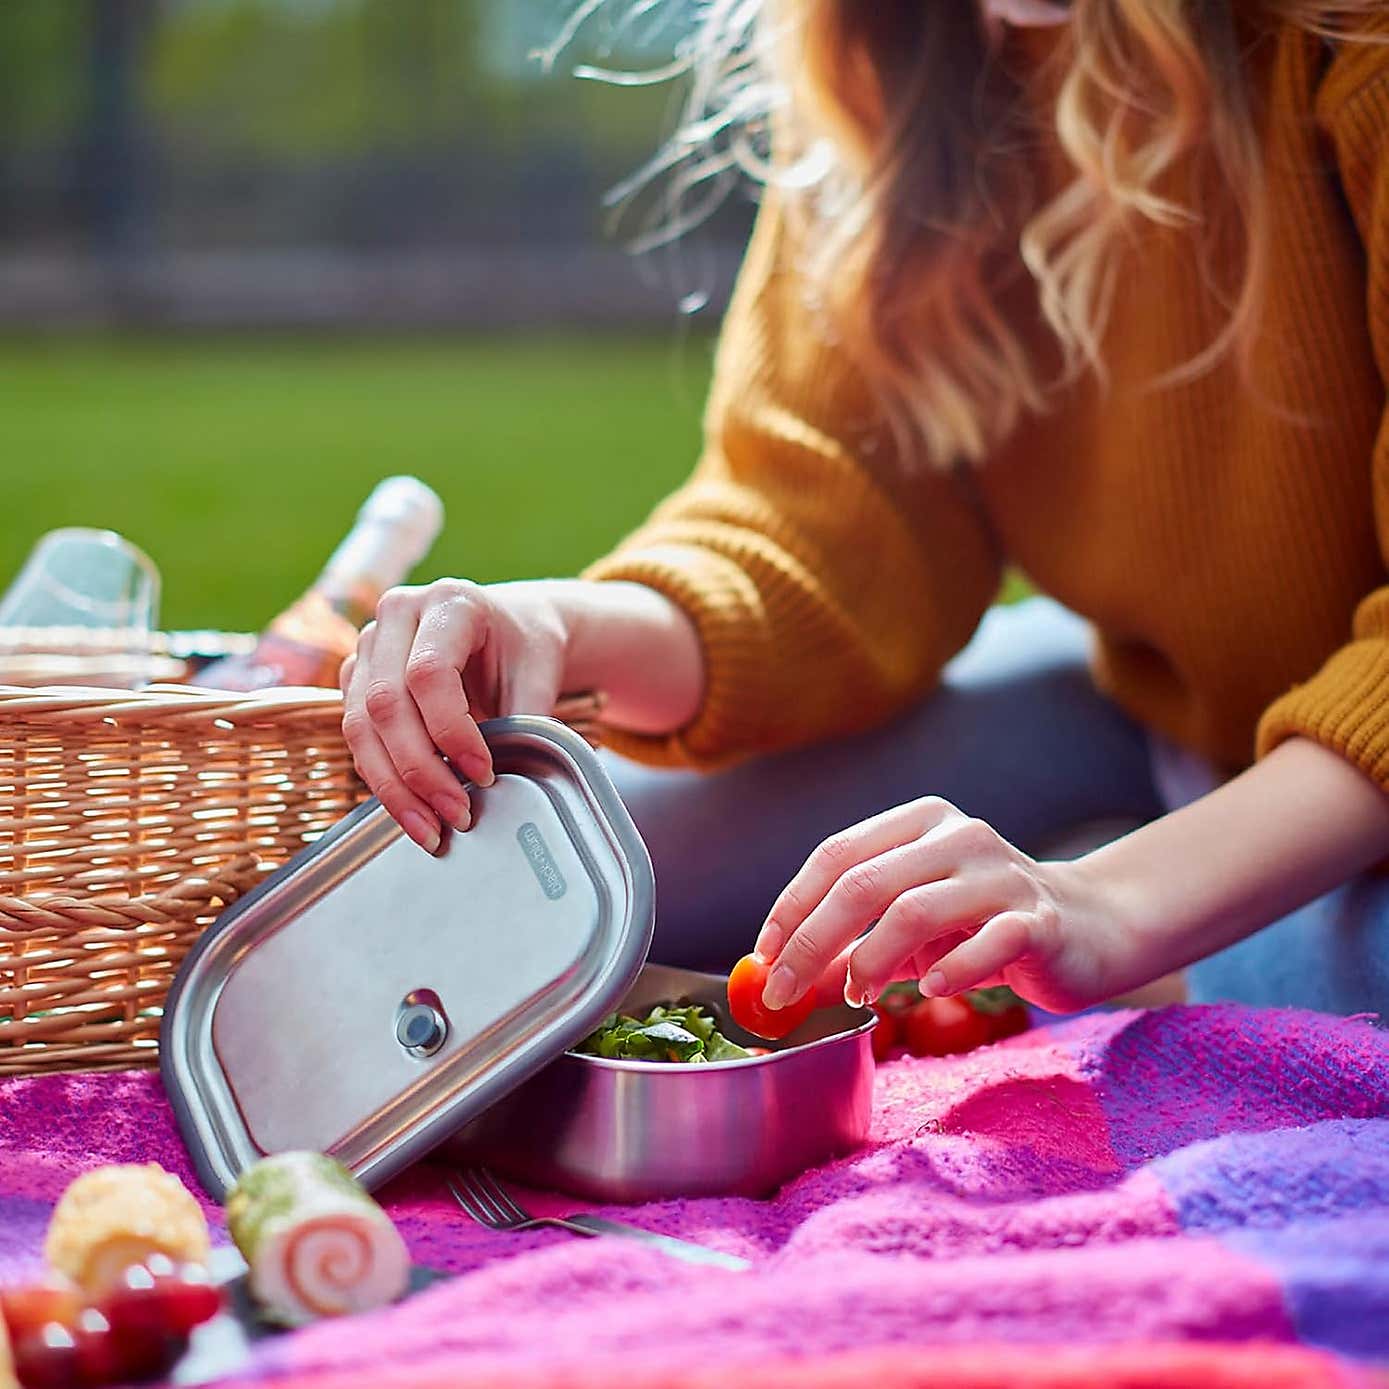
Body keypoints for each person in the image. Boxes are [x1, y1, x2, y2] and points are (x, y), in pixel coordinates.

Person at [340, 0, 1389, 1021]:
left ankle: (1145, 941)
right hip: (1163, 713)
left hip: (1349, 779)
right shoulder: (887, 47)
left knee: (1340, 961)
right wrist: (565, 626)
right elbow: (825, 532)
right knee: (558, 876)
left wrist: (1110, 903)